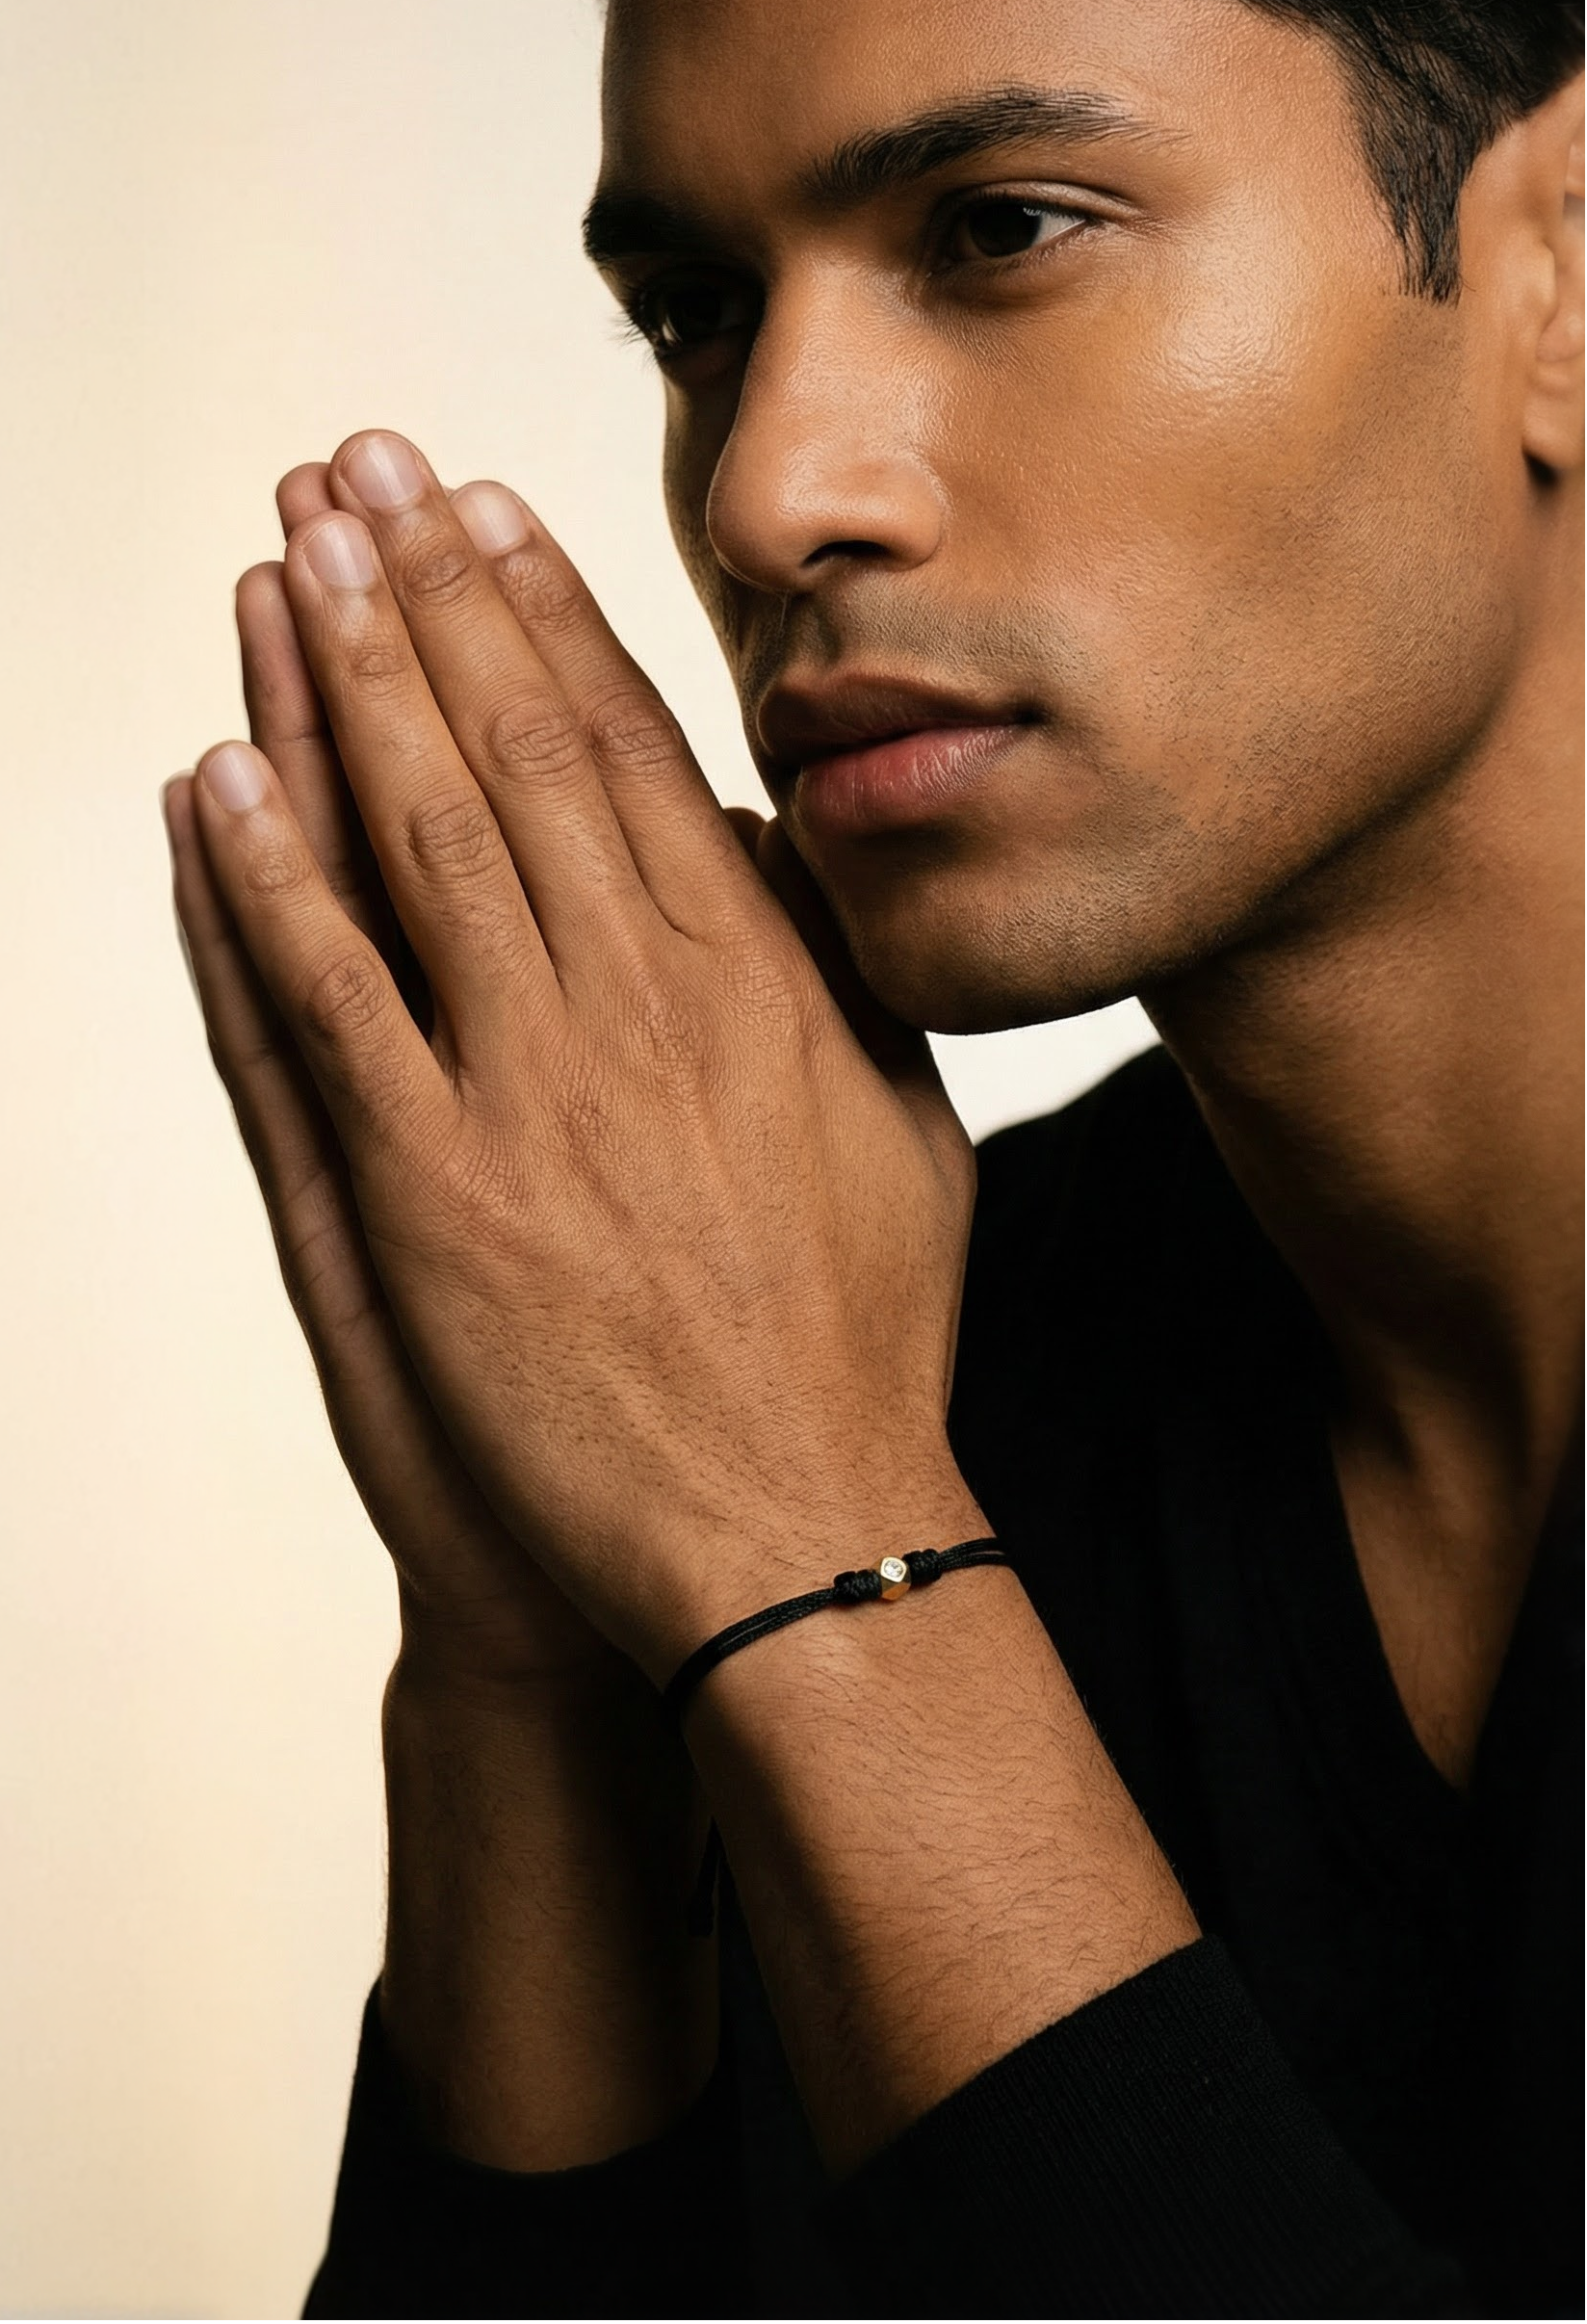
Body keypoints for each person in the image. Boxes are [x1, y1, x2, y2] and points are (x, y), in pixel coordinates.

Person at [158, 1, 1584, 2312]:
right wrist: (534, 1653)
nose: (765, 492)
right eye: (697, 312)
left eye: (1002, 229)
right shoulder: (877, 1360)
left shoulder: (814, 1450)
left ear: (1561, 263)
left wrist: (808, 1549)